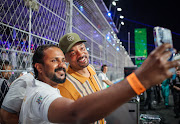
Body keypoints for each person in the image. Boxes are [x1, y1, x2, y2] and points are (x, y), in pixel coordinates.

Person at [19, 43, 179, 124]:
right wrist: (139, 80)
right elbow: (75, 113)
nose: (61, 65)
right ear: (38, 67)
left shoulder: (45, 86)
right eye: (54, 61)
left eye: (62, 60)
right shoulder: (40, 94)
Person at [58, 33, 105, 123]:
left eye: (82, 48)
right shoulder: (65, 87)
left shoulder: (90, 68)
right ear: (65, 59)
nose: (80, 54)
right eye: (73, 53)